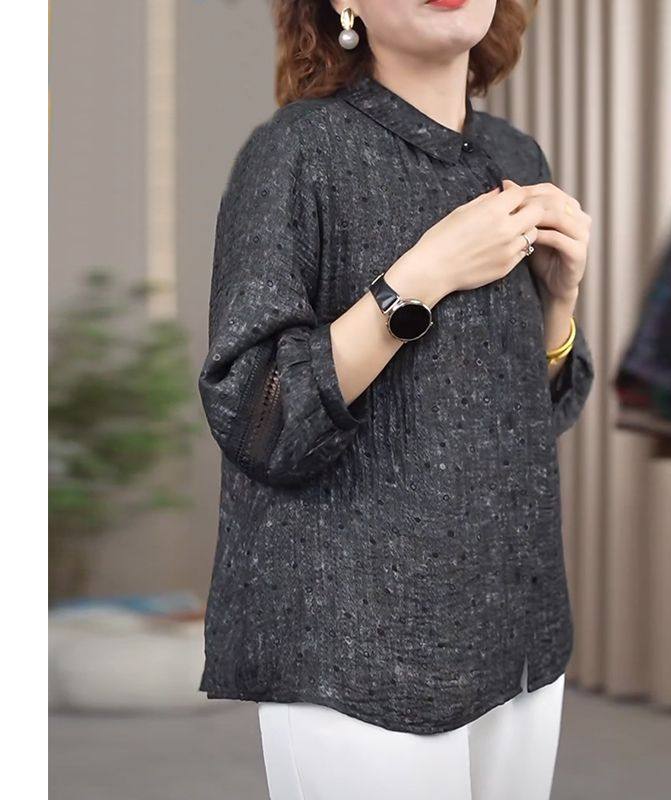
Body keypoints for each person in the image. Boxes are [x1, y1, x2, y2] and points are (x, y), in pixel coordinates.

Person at [197, 1, 594, 798]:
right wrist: (422, 276)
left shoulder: (516, 155)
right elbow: (257, 417)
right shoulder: (296, 151)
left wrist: (560, 301)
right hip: (355, 635)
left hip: (518, 624)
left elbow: (530, 416)